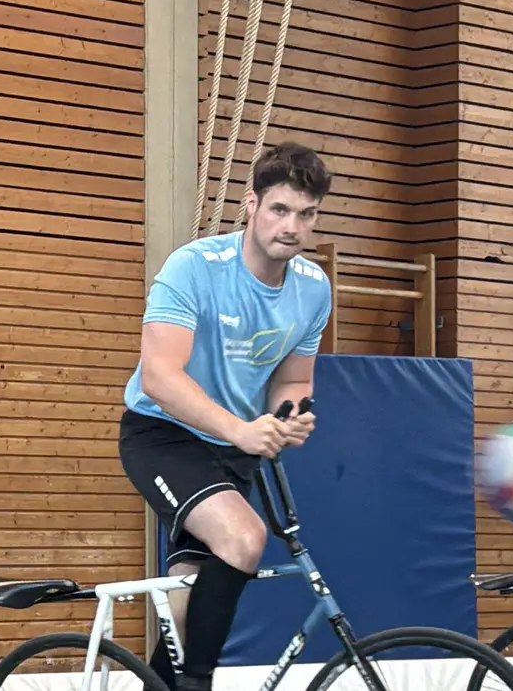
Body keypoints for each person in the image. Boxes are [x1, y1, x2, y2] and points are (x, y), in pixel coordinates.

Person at [117, 142, 332, 691]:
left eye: (306, 214)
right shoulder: (195, 267)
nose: (292, 226)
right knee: (242, 537)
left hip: (233, 449)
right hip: (164, 435)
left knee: (185, 604)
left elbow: (292, 380)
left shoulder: (312, 288)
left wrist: (287, 419)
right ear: (252, 204)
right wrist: (241, 428)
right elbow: (161, 377)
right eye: (280, 209)